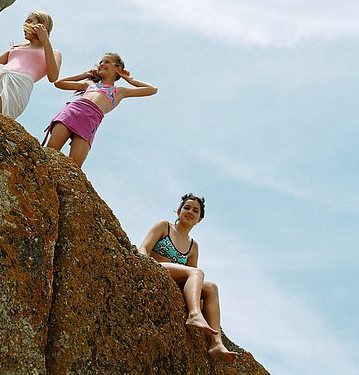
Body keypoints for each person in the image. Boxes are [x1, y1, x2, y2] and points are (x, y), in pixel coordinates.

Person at [139, 194, 239, 364]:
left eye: (195, 211)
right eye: (186, 208)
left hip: (176, 280)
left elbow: (193, 281)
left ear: (199, 219)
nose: (190, 212)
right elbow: (144, 249)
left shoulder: (193, 246)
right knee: (197, 273)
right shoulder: (165, 226)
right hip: (156, 266)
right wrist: (146, 269)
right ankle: (194, 315)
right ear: (179, 211)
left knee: (211, 288)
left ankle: (216, 343)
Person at [43, 53, 157, 167]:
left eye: (107, 62)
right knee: (50, 151)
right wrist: (84, 75)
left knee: (74, 167)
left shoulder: (120, 91)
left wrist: (130, 80)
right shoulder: (90, 84)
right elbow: (59, 83)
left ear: (118, 69)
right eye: (101, 62)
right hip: (72, 112)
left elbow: (152, 89)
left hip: (90, 121)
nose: (102, 64)